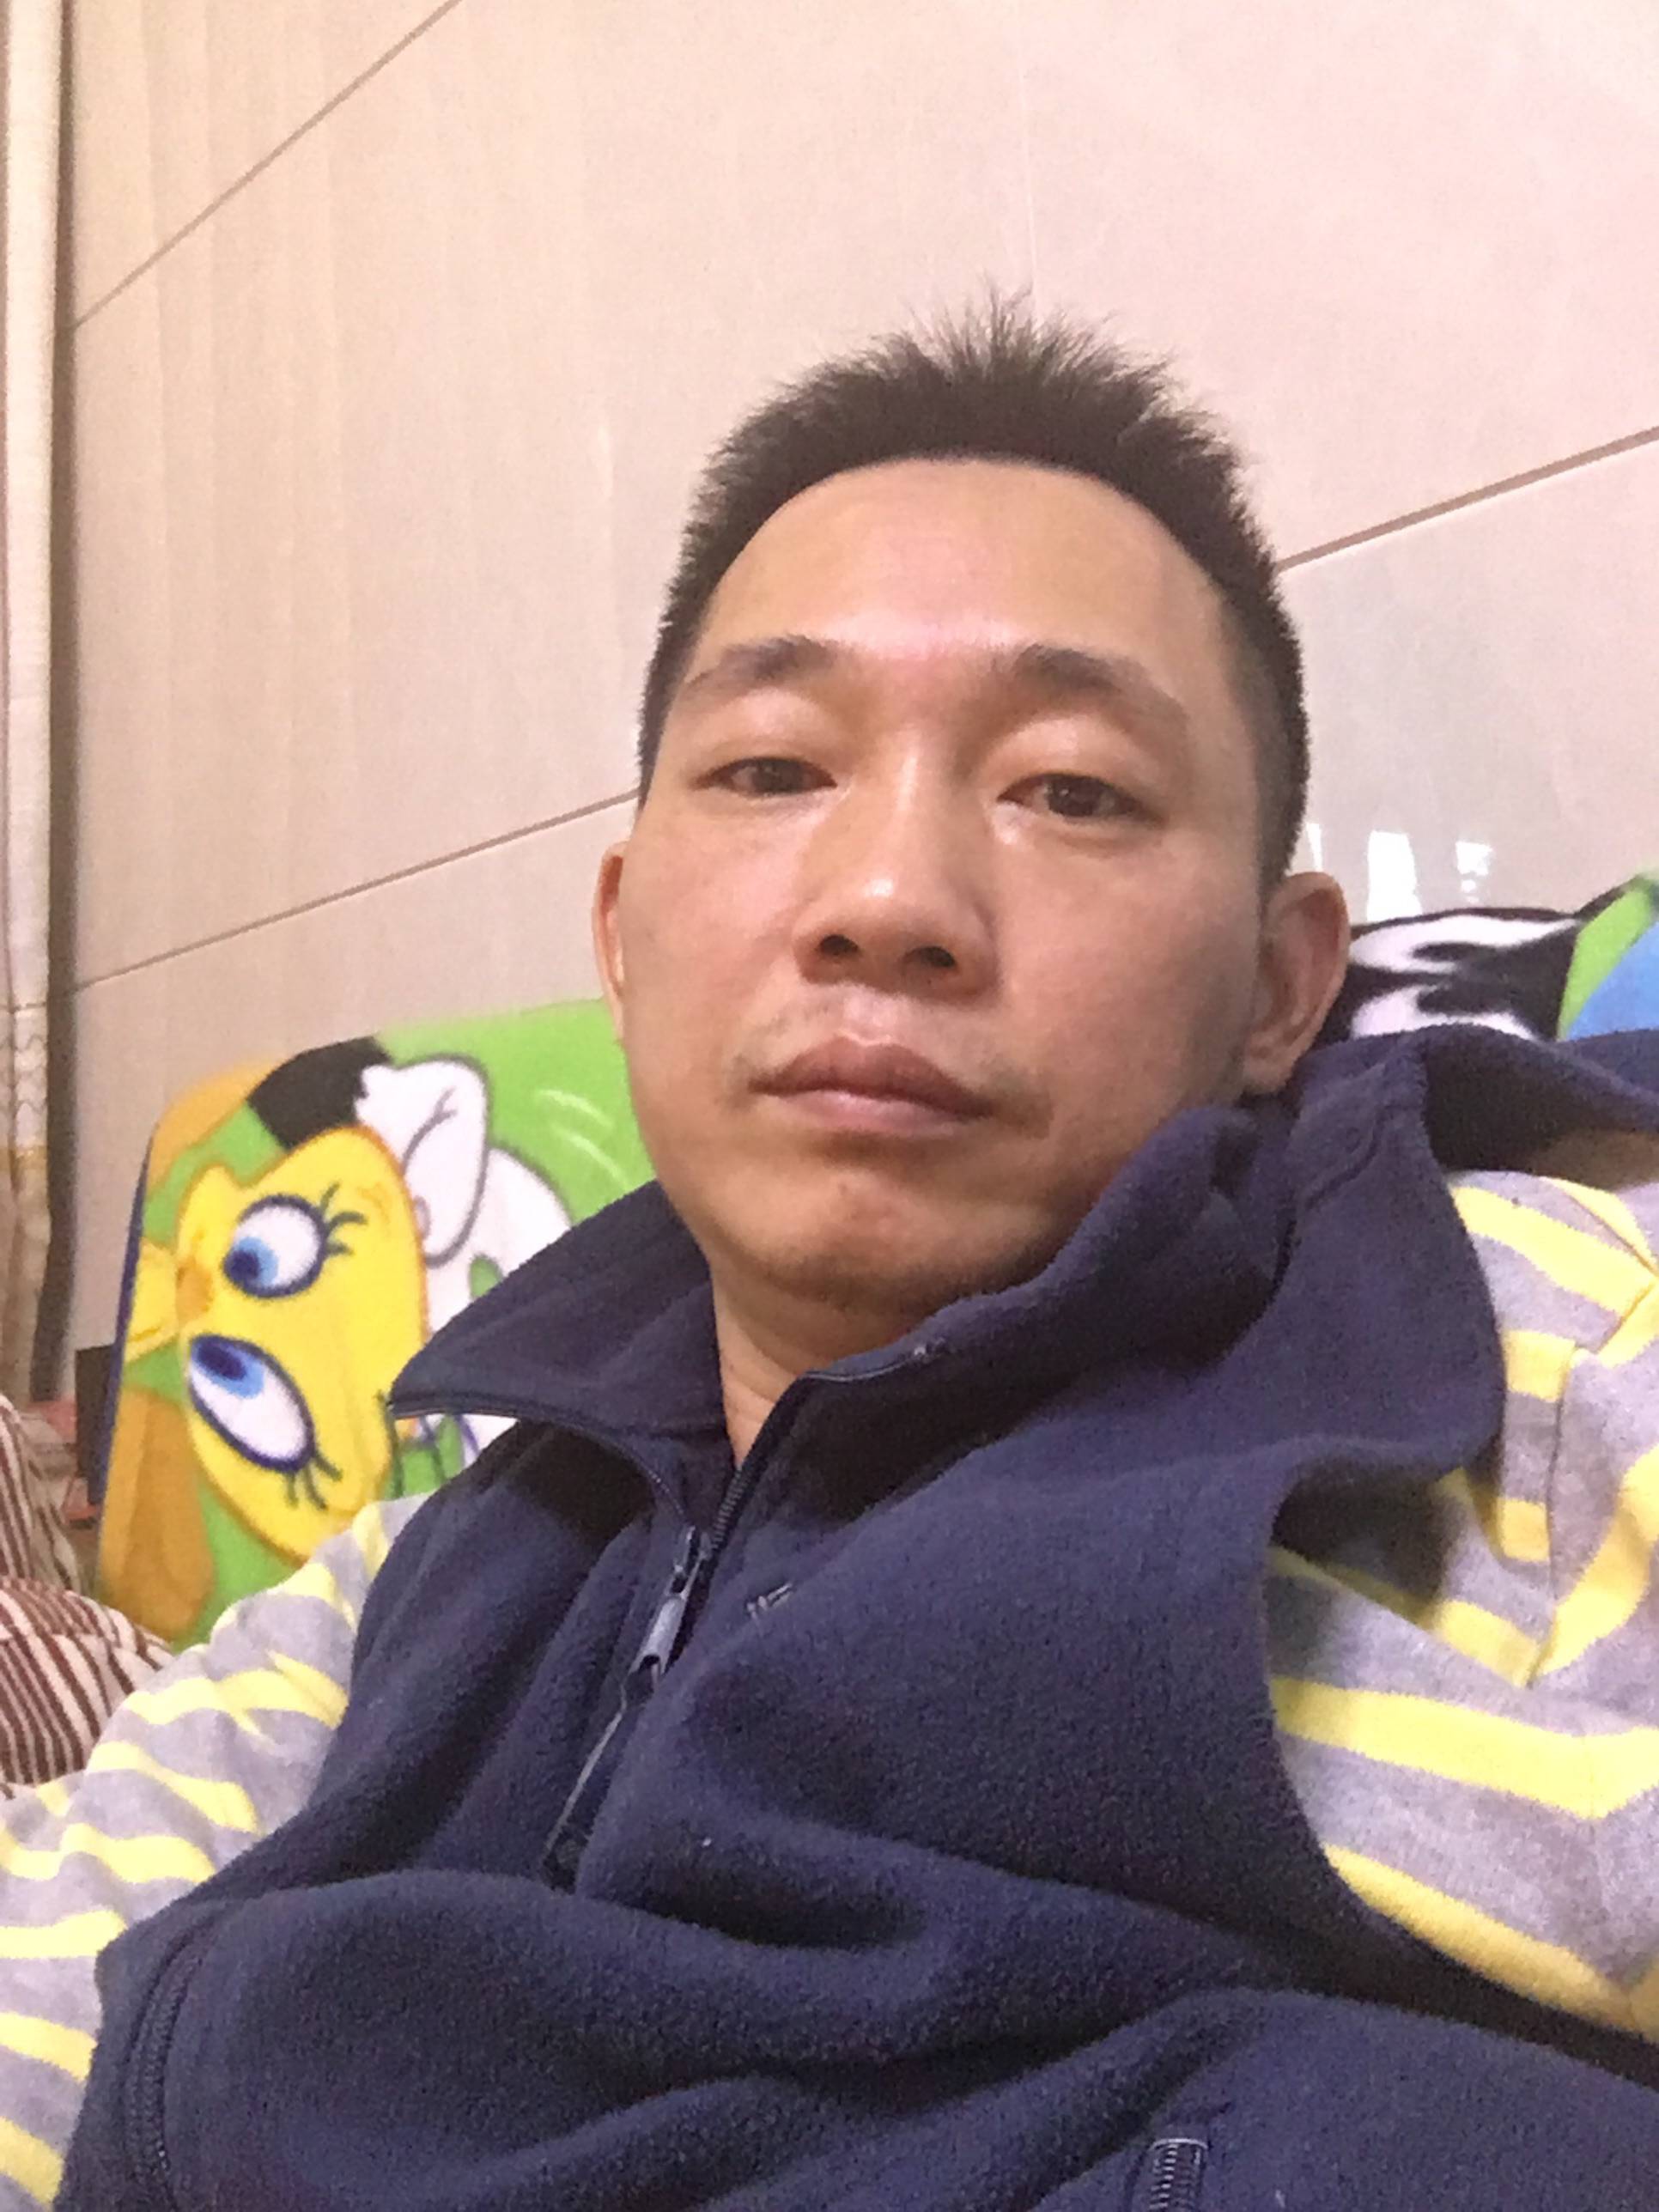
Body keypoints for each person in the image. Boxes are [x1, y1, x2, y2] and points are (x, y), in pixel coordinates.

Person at [7, 303, 1659, 2209]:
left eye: (1073, 789)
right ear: (622, 936)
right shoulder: (429, 1562)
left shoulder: (1524, 1360)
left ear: (1284, 985)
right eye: (775, 769)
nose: (889, 900)